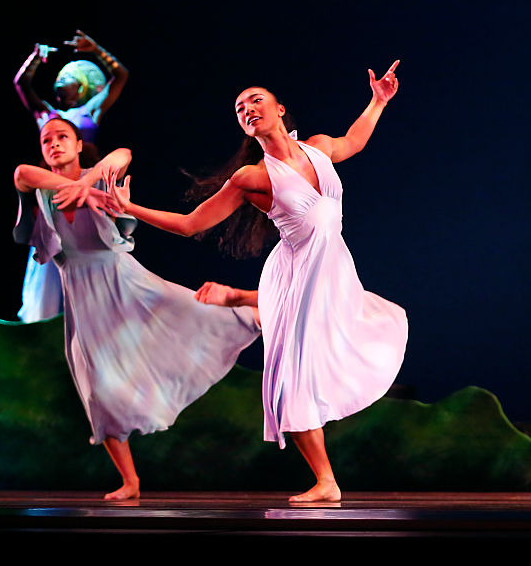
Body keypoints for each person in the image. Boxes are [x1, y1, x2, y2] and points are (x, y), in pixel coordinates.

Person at [109, 62, 408, 502]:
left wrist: (378, 100)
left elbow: (355, 140)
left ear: (280, 109)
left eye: (256, 100)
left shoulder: (320, 149)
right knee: (290, 376)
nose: (247, 109)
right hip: (294, 276)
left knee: (357, 337)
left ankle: (236, 298)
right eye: (239, 108)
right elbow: (192, 224)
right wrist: (132, 209)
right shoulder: (253, 178)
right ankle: (326, 481)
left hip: (332, 271)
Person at [13, 117, 259, 501]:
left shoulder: (98, 178)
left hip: (125, 281)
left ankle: (259, 313)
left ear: (79, 145)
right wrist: (78, 189)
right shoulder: (40, 188)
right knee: (96, 388)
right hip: (83, 297)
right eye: (47, 140)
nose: (54, 144)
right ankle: (130, 481)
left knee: (191, 313)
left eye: (63, 137)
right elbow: (24, 173)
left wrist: (86, 185)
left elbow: (122, 155)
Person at [14, 31, 130, 322]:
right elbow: (22, 84)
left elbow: (121, 76)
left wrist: (97, 50)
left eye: (68, 78)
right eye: (59, 78)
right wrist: (35, 59)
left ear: (83, 87)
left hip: (87, 188)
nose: (60, 81)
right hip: (54, 191)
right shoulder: (47, 118)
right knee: (48, 270)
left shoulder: (90, 113)